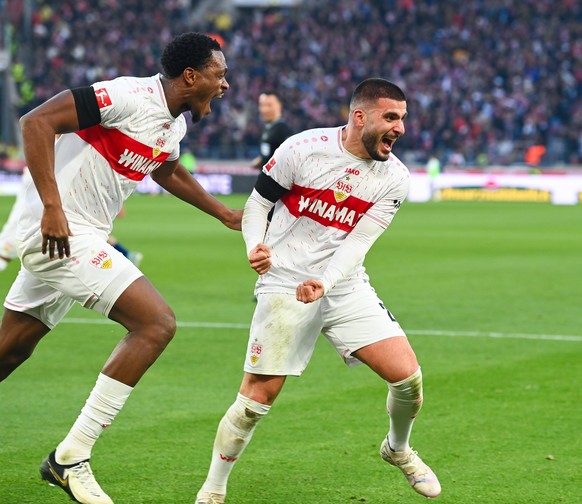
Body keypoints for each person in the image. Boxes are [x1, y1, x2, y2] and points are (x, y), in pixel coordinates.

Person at [0, 32, 239, 504]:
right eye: (220, 74)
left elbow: (167, 169)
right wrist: (52, 207)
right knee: (156, 323)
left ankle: (69, 456)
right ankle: (71, 456)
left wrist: (224, 214)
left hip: (73, 237)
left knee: (9, 352)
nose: (225, 84)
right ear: (191, 76)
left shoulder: (173, 126)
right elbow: (36, 122)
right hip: (59, 233)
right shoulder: (128, 95)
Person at [195, 78, 441, 504]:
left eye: (403, 118)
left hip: (342, 284)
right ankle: (213, 491)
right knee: (256, 399)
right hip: (285, 279)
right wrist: (255, 245)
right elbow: (257, 206)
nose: (400, 127)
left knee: (408, 380)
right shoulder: (303, 148)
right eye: (391, 117)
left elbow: (358, 243)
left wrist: (325, 283)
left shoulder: (394, 178)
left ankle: (397, 449)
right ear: (360, 116)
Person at [251, 91, 293, 170]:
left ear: (279, 106)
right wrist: (261, 160)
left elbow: (289, 157)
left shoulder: (283, 129)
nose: (265, 109)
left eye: (269, 105)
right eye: (262, 105)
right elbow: (270, 152)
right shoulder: (268, 128)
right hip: (265, 177)